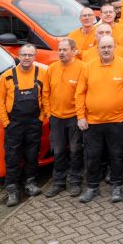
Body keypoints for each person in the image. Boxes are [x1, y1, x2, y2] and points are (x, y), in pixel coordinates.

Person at [75, 36, 123, 203]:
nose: (106, 50)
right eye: (103, 47)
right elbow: (80, 93)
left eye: (109, 46)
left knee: (116, 155)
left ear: (114, 48)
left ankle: (117, 186)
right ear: (98, 49)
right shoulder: (88, 67)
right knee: (92, 156)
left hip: (117, 121)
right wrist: (80, 116)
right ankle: (92, 187)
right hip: (92, 122)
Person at [0, 44, 44, 207]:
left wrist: (41, 118)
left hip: (33, 124)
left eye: (30, 55)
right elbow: (0, 102)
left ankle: (30, 183)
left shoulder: (41, 74)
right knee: (12, 157)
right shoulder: (7, 76)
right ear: (19, 56)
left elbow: (47, 97)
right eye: (24, 55)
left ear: (35, 57)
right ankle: (12, 189)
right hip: (14, 125)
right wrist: (6, 123)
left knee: (32, 155)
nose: (27, 58)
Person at [42, 38, 85, 198]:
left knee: (75, 150)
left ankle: (75, 182)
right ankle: (59, 182)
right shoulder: (52, 68)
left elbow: (84, 93)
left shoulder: (82, 68)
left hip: (74, 117)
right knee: (58, 151)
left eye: (65, 50)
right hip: (56, 118)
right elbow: (45, 92)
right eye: (59, 50)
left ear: (73, 51)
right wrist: (49, 113)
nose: (61, 52)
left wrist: (81, 115)